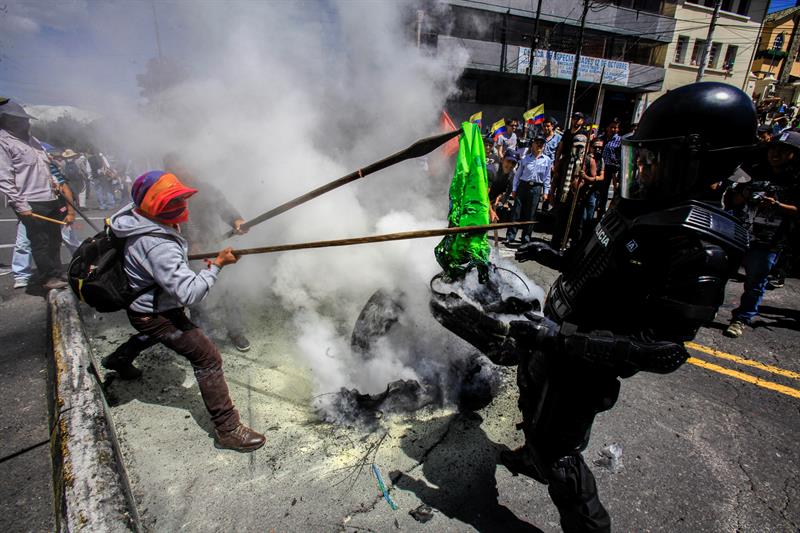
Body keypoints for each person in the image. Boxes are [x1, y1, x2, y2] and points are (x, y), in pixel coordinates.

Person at [432, 82, 756, 532]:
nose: (642, 169)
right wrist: (557, 259)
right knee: (531, 396)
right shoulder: (642, 207)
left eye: (654, 159)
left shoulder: (700, 245)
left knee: (560, 453)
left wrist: (559, 338)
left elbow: (660, 350)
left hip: (584, 360)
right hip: (558, 332)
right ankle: (531, 454)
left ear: (695, 161)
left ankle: (587, 524)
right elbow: (606, 266)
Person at [101, 171, 265, 452]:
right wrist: (218, 265)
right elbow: (189, 292)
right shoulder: (158, 244)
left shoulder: (134, 216)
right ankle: (228, 429)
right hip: (155, 312)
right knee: (208, 357)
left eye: (179, 199)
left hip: (147, 307)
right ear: (155, 207)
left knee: (160, 333)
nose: (181, 207)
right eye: (172, 202)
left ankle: (120, 358)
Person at [163, 153, 252, 352]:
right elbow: (171, 225)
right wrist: (189, 243)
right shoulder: (169, 195)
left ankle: (235, 330)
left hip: (213, 246)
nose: (188, 171)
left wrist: (237, 221)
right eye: (180, 168)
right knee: (197, 296)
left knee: (230, 290)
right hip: (186, 253)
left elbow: (224, 207)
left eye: (187, 166)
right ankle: (204, 336)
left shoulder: (206, 189)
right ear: (171, 172)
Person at [724, 131, 800, 338]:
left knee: (755, 283)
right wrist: (744, 194)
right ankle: (706, 310)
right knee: (721, 273)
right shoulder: (755, 171)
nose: (776, 153)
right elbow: (732, 199)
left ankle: (742, 319)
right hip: (739, 233)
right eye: (774, 149)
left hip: (769, 241)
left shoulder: (795, 179)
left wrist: (777, 205)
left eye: (783, 151)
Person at [0, 100, 69, 290]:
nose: (26, 123)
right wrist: (21, 205)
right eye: (20, 120)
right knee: (40, 241)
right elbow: (4, 178)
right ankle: (48, 277)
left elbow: (45, 167)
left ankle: (55, 272)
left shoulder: (32, 140)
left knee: (55, 239)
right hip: (30, 200)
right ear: (7, 121)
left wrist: (55, 183)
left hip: (50, 197)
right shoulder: (4, 143)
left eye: (25, 120)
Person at [506, 137, 551, 245]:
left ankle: (525, 238)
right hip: (523, 186)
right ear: (532, 145)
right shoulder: (525, 159)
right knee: (516, 212)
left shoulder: (547, 160)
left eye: (542, 143)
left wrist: (546, 192)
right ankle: (510, 236)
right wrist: (514, 189)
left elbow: (547, 177)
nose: (539, 145)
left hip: (536, 188)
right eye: (537, 143)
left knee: (531, 214)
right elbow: (517, 175)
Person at [575, 137, 605, 241]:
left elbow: (601, 176)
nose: (597, 150)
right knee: (581, 217)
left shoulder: (601, 160)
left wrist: (590, 178)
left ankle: (585, 239)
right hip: (583, 190)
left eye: (600, 148)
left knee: (589, 217)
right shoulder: (586, 159)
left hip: (594, 191)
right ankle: (578, 238)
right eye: (595, 147)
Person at [596, 119, 621, 217]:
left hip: (612, 168)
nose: (613, 129)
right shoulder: (601, 138)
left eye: (616, 127)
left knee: (607, 190)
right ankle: (598, 208)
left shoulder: (619, 140)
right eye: (612, 127)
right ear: (607, 128)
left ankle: (603, 211)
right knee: (599, 189)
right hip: (600, 166)